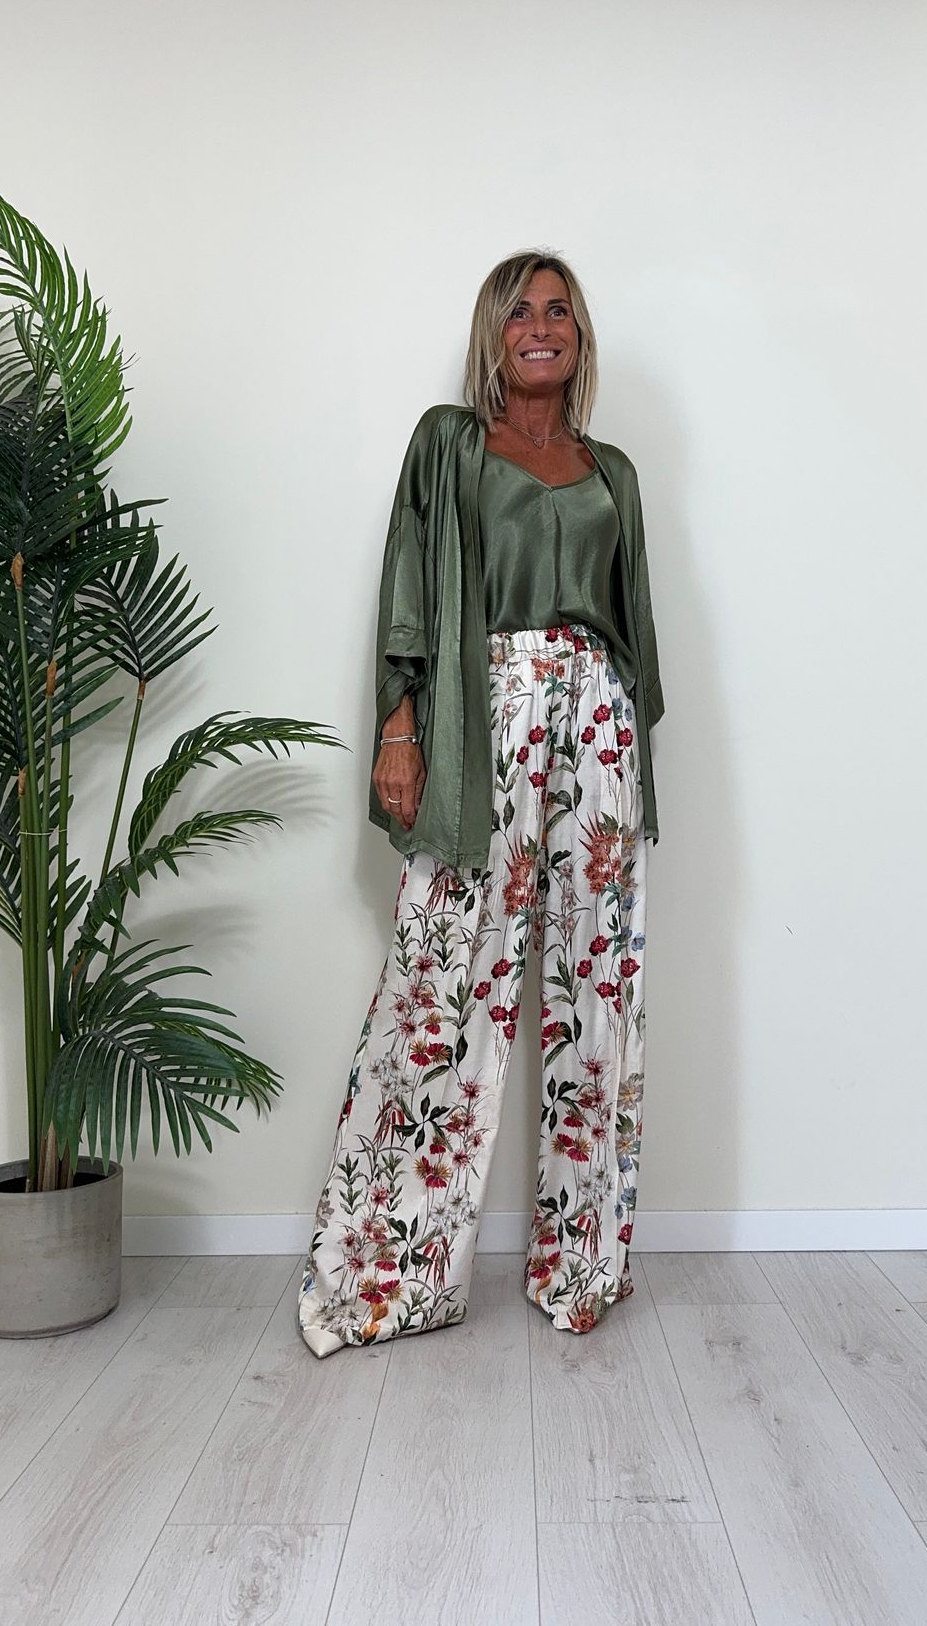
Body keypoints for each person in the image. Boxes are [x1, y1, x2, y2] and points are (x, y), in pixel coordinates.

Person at [297, 249, 664, 1358]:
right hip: (481, 719)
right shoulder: (449, 444)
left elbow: (635, 632)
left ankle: (582, 1261)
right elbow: (409, 584)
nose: (539, 327)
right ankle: (391, 1273)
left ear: (578, 336)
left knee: (599, 991)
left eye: (558, 311)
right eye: (519, 312)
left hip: (598, 721)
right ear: (492, 335)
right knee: (445, 977)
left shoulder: (612, 470)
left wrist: (626, 750)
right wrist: (398, 726)